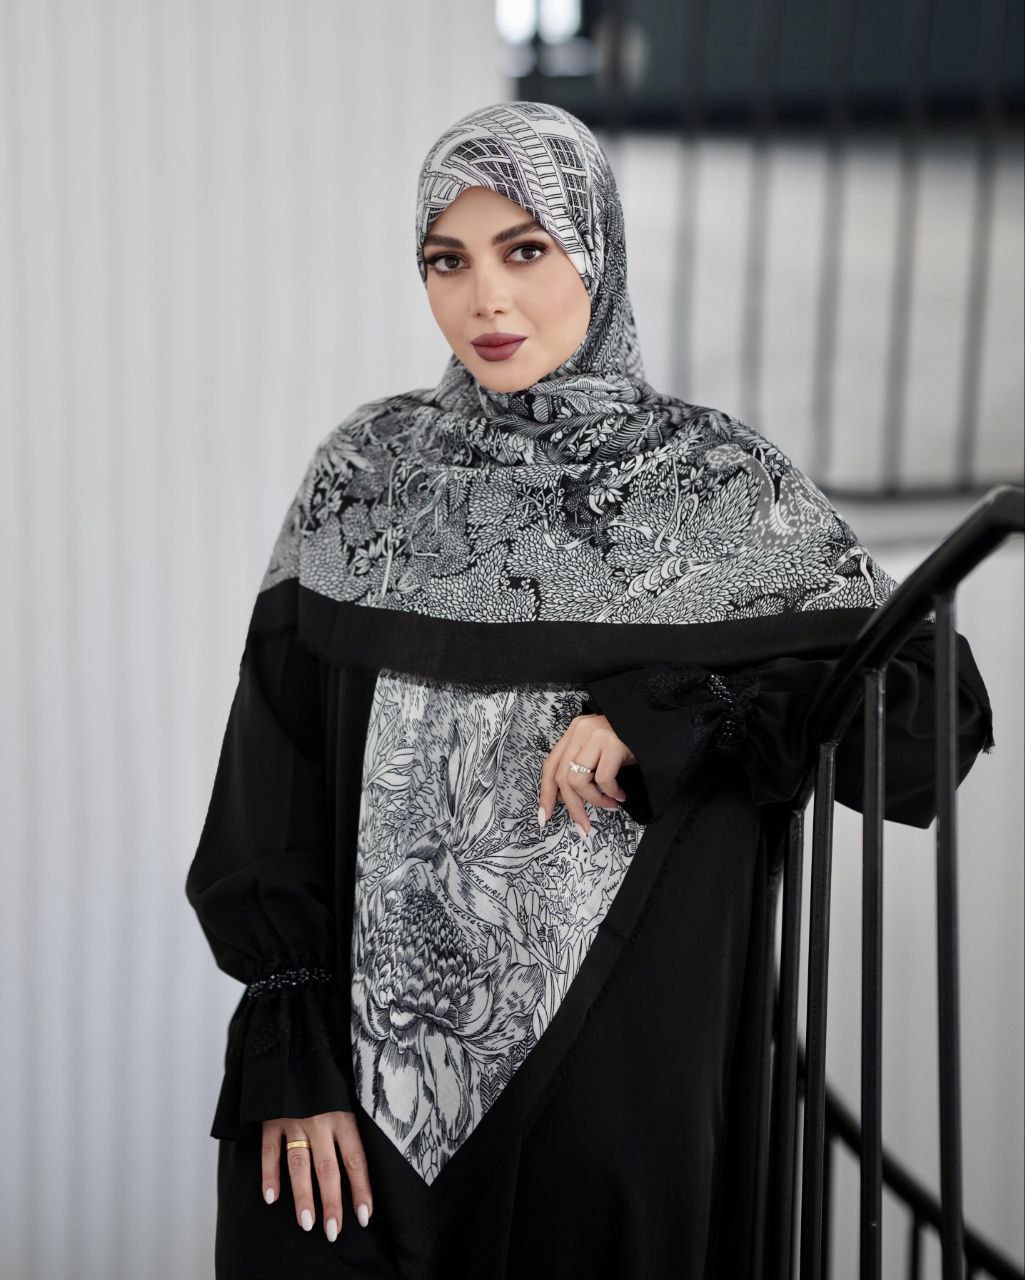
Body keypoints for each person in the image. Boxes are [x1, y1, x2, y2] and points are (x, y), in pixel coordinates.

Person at [184, 101, 994, 1280]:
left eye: (524, 249)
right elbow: (271, 776)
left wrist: (670, 713)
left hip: (612, 1107)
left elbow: (925, 710)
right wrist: (290, 1061)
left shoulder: (717, 489)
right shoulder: (364, 479)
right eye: (446, 261)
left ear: (595, 252)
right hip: (351, 1108)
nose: (486, 299)